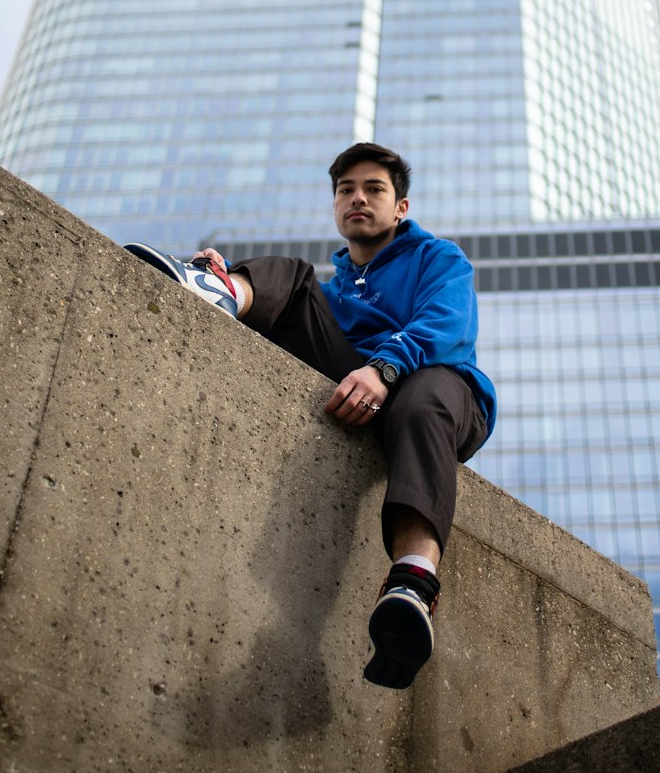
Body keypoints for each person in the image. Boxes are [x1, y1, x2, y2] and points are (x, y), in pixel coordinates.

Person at [190, 141, 496, 690]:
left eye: (374, 189)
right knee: (293, 279)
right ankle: (219, 291)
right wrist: (249, 286)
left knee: (425, 393)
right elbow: (298, 314)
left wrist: (385, 367)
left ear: (400, 206)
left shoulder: (439, 258)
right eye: (345, 190)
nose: (357, 198)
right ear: (335, 207)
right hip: (358, 387)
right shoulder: (335, 290)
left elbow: (447, 328)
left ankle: (413, 581)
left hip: (442, 396)